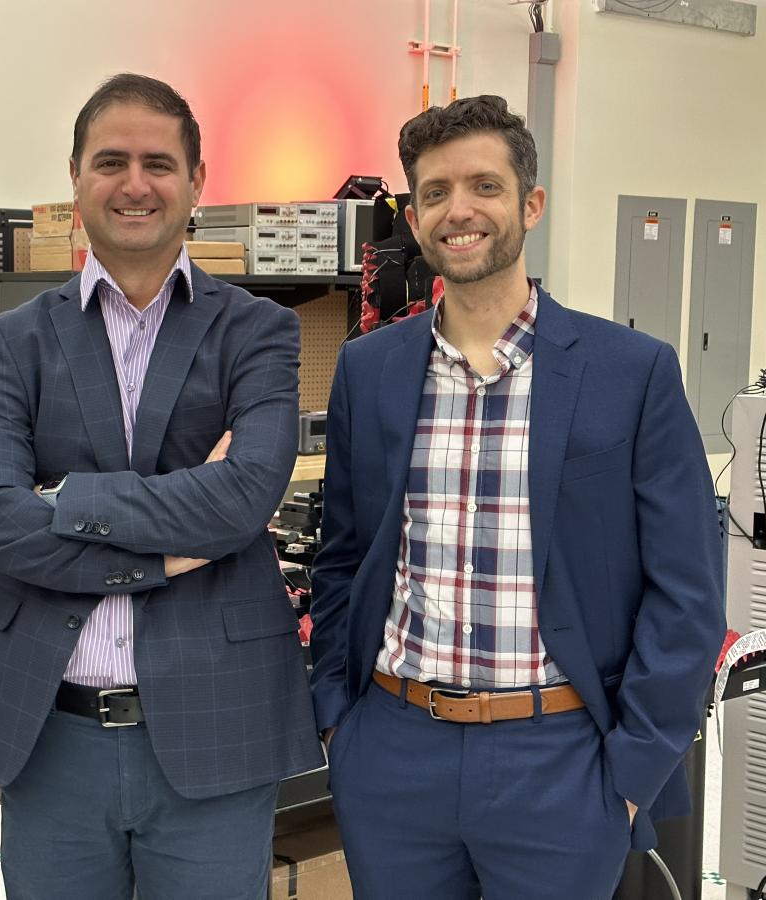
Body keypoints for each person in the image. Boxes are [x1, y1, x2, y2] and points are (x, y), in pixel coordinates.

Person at [309, 94, 726, 900]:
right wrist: (340, 722)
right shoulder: (371, 369)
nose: (458, 210)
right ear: (415, 215)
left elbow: (687, 592)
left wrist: (632, 768)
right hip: (394, 753)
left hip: (562, 761)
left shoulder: (629, 372)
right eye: (435, 193)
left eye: (484, 187)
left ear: (530, 204)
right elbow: (345, 557)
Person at [0, 72, 323, 900]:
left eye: (158, 162)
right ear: (75, 178)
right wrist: (158, 555)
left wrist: (59, 499)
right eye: (110, 161)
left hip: (218, 727)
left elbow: (244, 498)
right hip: (50, 732)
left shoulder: (259, 330)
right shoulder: (13, 342)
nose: (135, 183)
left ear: (197, 182)